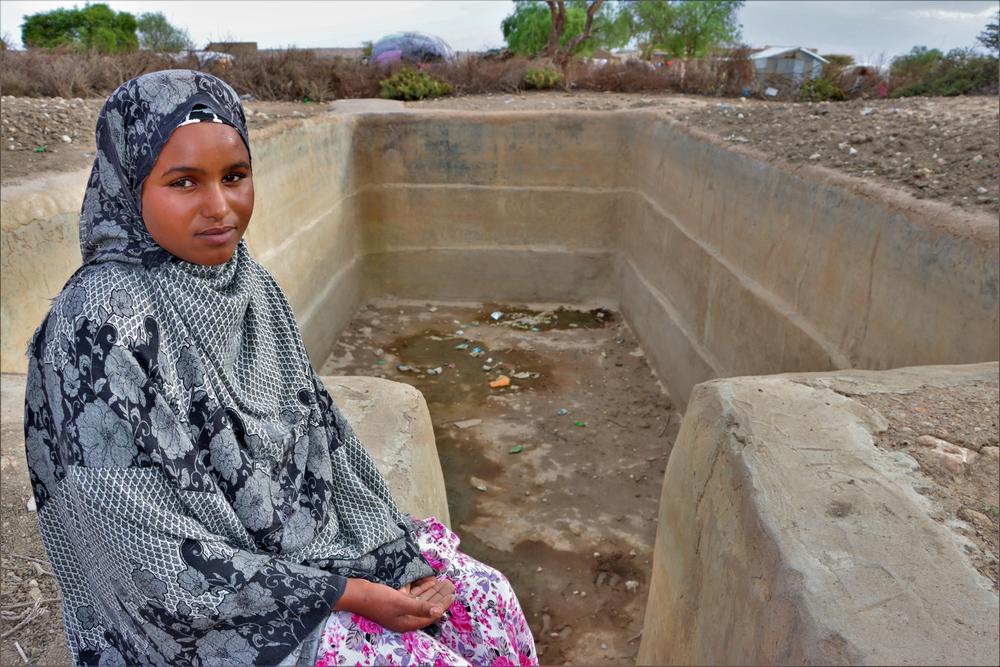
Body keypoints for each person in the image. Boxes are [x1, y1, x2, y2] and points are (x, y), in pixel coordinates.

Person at [23, 69, 536, 667]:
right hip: (191, 619)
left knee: (485, 603)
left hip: (304, 554)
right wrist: (347, 595)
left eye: (235, 176)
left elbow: (320, 430)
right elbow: (145, 559)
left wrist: (388, 557)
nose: (221, 208)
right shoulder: (101, 326)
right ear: (129, 186)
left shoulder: (249, 284)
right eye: (184, 182)